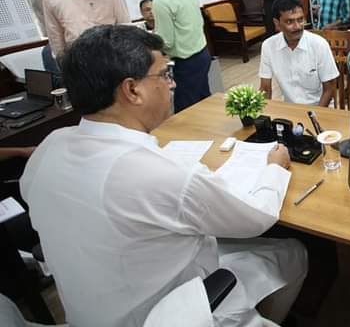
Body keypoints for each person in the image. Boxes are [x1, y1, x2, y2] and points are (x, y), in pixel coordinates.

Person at [20, 24, 308, 327]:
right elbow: (256, 218)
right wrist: (275, 167)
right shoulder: (158, 174)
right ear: (132, 90)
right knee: (291, 252)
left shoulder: (48, 149)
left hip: (93, 311)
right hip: (167, 312)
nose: (173, 84)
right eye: (164, 74)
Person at [141, 0, 210, 112]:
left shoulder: (161, 1)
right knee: (205, 102)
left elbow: (166, 41)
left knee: (186, 112)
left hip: (186, 64)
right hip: (203, 53)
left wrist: (148, 42)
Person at [260, 0, 339, 107]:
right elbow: (265, 88)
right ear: (277, 23)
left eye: (300, 20)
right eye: (289, 22)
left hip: (320, 107)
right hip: (290, 109)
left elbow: (329, 89)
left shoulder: (319, 44)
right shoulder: (268, 46)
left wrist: (314, 116)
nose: (297, 26)